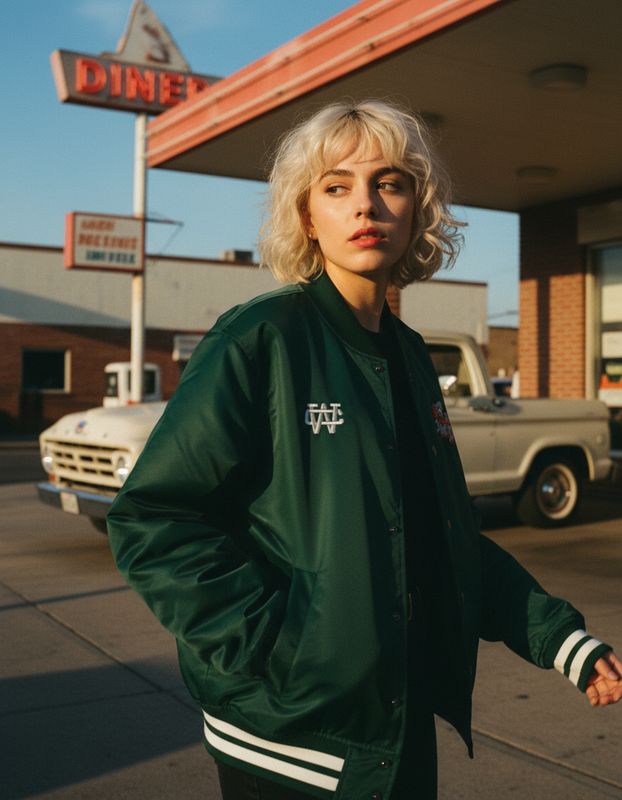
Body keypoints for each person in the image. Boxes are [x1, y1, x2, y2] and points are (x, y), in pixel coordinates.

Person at [107, 100, 622, 800]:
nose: (366, 205)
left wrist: (561, 640)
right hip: (289, 738)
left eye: (390, 182)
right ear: (306, 213)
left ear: (418, 208)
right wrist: (279, 649)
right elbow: (155, 520)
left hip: (395, 724)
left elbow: (444, 538)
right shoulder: (261, 338)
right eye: (336, 185)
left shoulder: (409, 358)